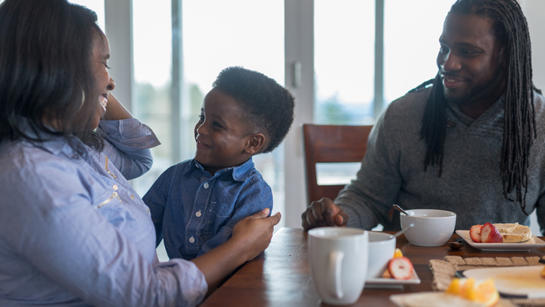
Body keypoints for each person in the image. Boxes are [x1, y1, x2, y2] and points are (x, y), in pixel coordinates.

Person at [0, 0, 280, 306]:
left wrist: (94, 94)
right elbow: (146, 294)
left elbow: (138, 156)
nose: (111, 80)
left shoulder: (71, 146)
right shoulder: (34, 178)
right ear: (60, 71)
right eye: (104, 63)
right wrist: (241, 246)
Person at [301, 0, 545, 233]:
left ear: (505, 56)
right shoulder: (402, 116)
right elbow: (367, 198)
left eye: (467, 51)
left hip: (503, 274)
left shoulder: (539, 123)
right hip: (412, 269)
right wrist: (339, 217)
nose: (448, 63)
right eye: (444, 48)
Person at [143, 67, 294, 260]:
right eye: (202, 117)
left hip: (228, 289)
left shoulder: (254, 194)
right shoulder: (173, 177)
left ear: (252, 143)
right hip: (175, 283)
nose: (201, 129)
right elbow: (139, 231)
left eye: (217, 125)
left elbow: (227, 256)